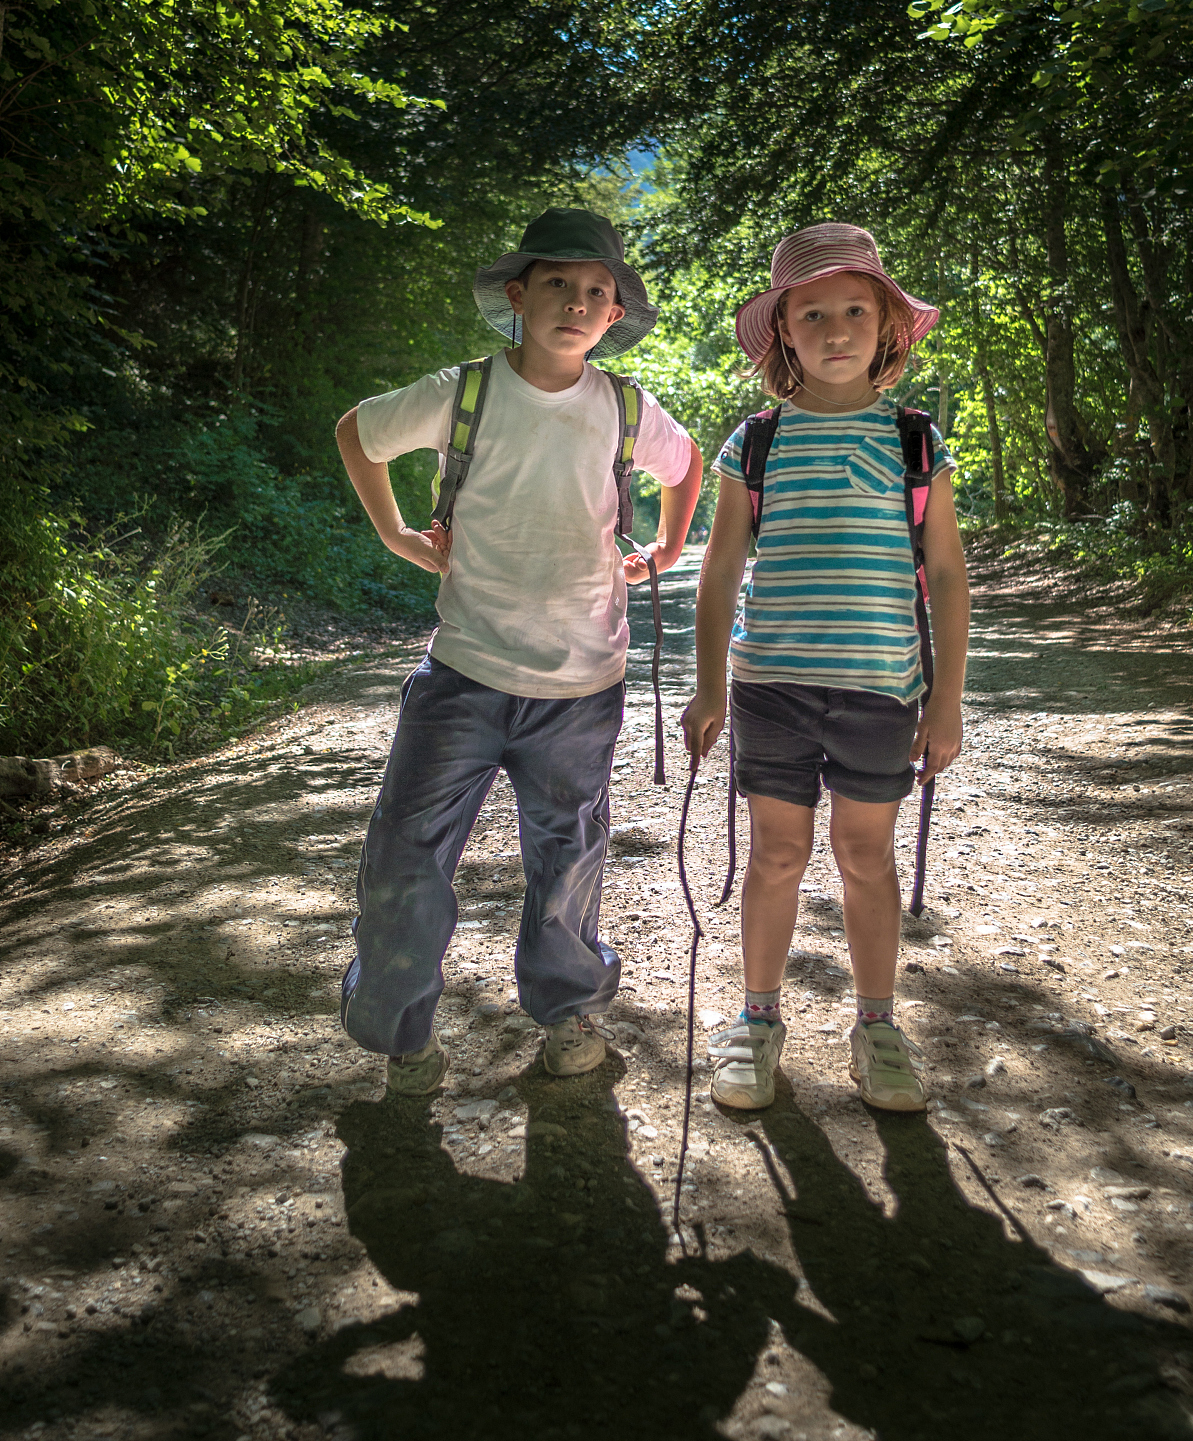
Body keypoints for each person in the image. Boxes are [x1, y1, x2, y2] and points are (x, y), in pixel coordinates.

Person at [336, 209, 702, 1095]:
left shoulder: (622, 406)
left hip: (585, 683)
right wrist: (393, 532)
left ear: (612, 314)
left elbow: (687, 465)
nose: (575, 304)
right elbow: (357, 431)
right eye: (556, 285)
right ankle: (401, 1032)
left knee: (569, 853)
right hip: (461, 671)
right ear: (517, 297)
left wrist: (666, 549)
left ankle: (568, 1010)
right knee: (404, 854)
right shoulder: (462, 393)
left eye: (594, 293)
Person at [682, 223, 970, 1112]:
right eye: (813, 314)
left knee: (864, 854)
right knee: (775, 853)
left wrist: (947, 702)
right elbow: (721, 567)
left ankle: (878, 1025)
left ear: (886, 326)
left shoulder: (915, 441)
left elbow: (949, 576)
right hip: (771, 684)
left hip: (882, 688)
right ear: (784, 333)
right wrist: (709, 684)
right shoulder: (756, 441)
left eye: (856, 310)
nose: (836, 329)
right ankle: (756, 1019)